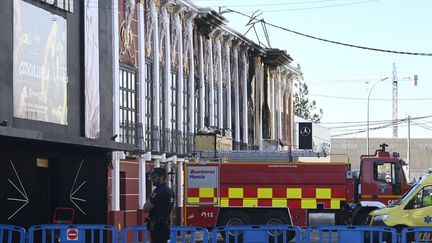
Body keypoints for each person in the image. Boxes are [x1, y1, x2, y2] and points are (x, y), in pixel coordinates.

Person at [143, 167, 175, 243]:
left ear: (162, 177)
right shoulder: (169, 191)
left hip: (158, 227)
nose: (152, 179)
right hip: (164, 226)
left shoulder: (159, 191)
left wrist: (151, 196)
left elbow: (145, 209)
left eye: (154, 177)